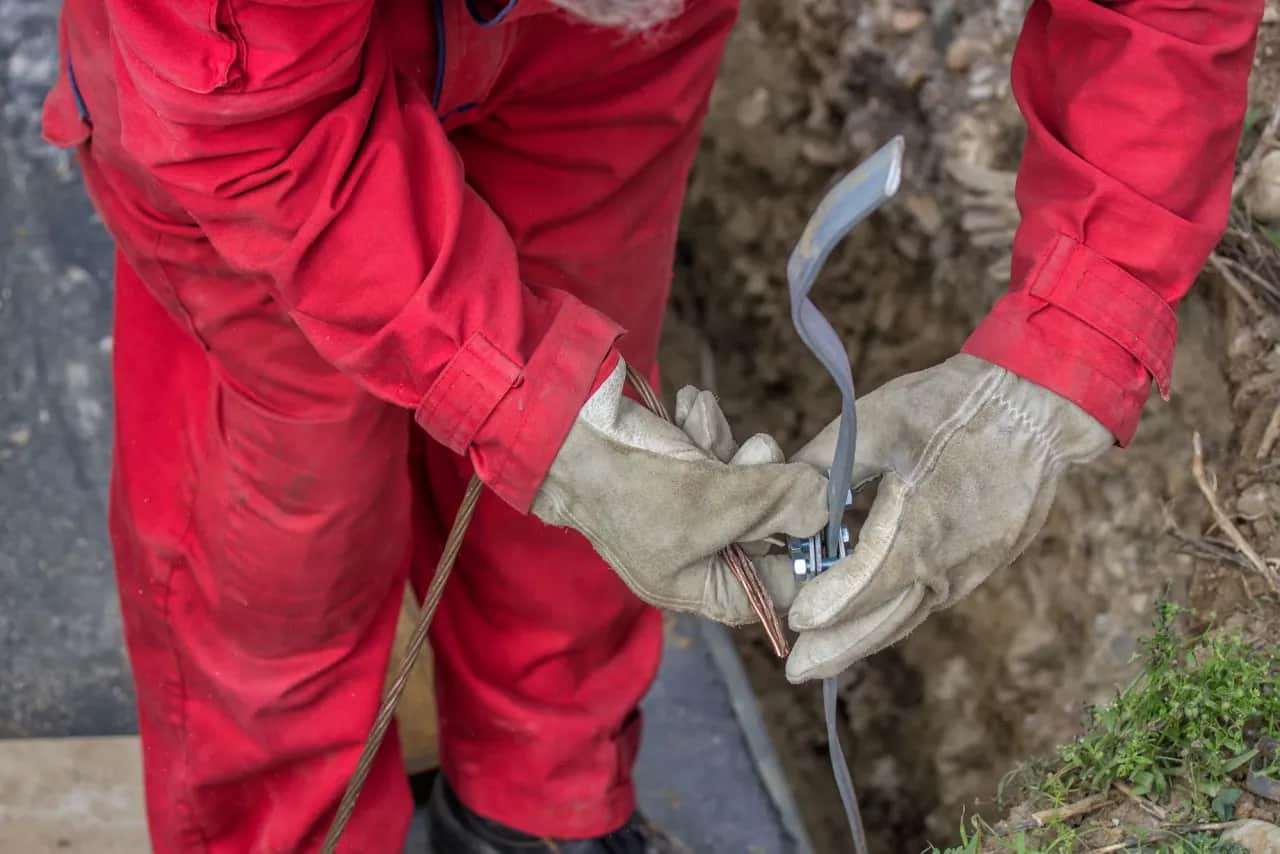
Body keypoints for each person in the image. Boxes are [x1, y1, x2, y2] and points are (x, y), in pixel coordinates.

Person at [40, 0, 1261, 850]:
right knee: (282, 531)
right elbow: (236, 116)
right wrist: (535, 417)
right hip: (252, 78)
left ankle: (541, 811)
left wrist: (1051, 365)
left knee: (603, 416)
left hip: (610, 58)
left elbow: (1157, 16)